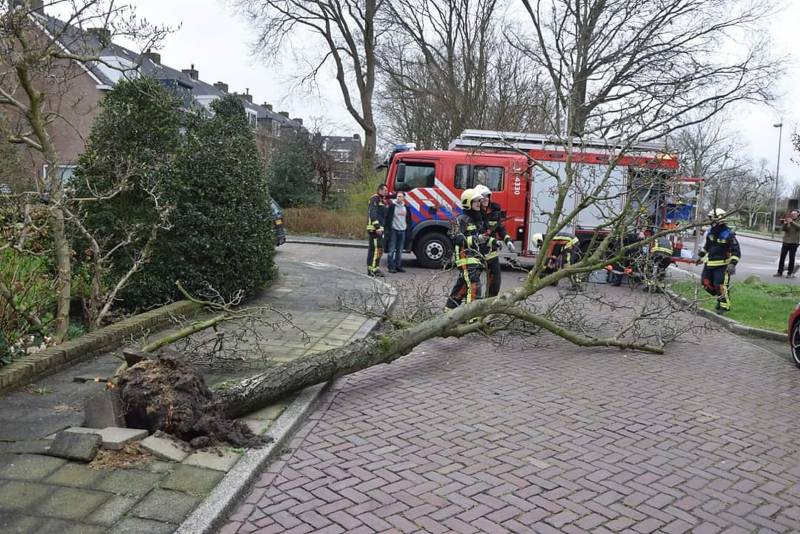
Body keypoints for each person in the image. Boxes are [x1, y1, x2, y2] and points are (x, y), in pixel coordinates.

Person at [446, 189, 486, 309]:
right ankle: (472, 317)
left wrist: (493, 242)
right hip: (465, 258)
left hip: (475, 258)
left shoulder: (476, 219)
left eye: (479, 201)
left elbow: (480, 238)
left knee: (461, 288)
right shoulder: (461, 219)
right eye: (475, 201)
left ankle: (449, 313)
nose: (479, 203)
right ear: (468, 203)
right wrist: (476, 239)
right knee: (474, 285)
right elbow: (457, 239)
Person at [696, 208, 740, 314]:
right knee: (705, 283)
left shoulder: (728, 234)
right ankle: (720, 298)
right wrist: (700, 256)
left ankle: (724, 306)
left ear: (719, 219)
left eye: (712, 219)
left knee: (719, 285)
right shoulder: (711, 232)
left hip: (722, 266)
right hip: (709, 264)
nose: (710, 221)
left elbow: (736, 251)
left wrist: (732, 264)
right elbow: (707, 246)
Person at [474, 185, 515, 297]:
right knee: (472, 283)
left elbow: (500, 228)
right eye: (483, 197)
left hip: (491, 253)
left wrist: (508, 241)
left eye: (488, 196)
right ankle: (471, 306)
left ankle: (488, 306)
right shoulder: (474, 213)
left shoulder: (494, 212)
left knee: (495, 283)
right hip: (477, 253)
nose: (486, 199)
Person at [385, 191, 411, 273]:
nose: (398, 198)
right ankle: (391, 267)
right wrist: (387, 230)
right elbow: (387, 218)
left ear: (404, 198)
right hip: (394, 230)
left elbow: (409, 220)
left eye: (400, 196)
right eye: (398, 196)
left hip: (402, 230)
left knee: (400, 250)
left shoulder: (406, 208)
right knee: (391, 249)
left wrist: (408, 230)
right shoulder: (392, 206)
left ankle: (398, 266)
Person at [366, 184, 389, 277]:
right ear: (380, 190)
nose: (386, 192)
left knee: (376, 249)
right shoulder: (375, 199)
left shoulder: (381, 200)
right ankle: (373, 269)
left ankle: (373, 268)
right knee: (377, 249)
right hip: (375, 229)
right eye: (385, 190)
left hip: (379, 229)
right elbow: (373, 213)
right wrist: (377, 226)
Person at [775, 210, 800, 278]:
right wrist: (785, 223)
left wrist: (791, 222)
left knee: (792, 258)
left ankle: (790, 273)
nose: (793, 215)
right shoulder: (789, 221)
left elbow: (799, 227)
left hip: (794, 243)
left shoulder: (797, 221)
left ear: (798, 214)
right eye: (792, 214)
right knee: (782, 257)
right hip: (786, 242)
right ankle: (779, 272)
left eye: (794, 214)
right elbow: (783, 229)